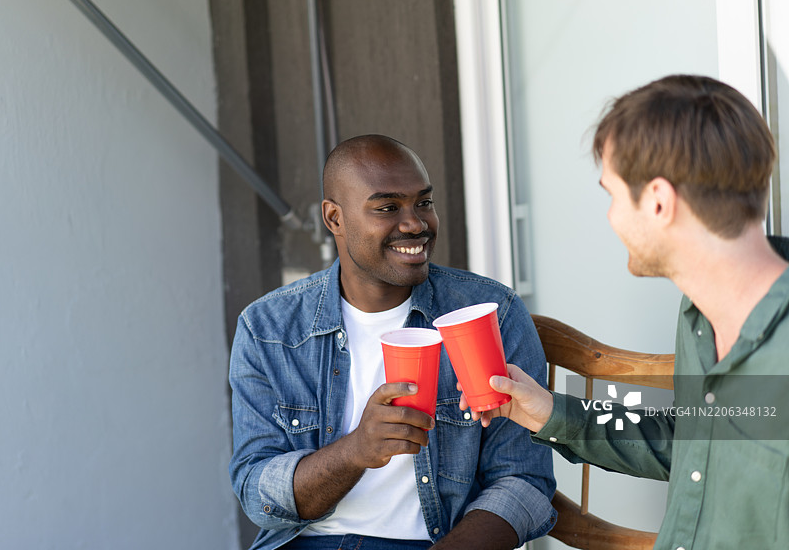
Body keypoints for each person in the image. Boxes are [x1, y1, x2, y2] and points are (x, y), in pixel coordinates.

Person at [469, 74, 789, 549]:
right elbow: (691, 443)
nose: (611, 216)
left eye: (613, 194)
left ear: (658, 202)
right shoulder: (699, 316)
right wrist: (550, 412)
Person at [229, 134, 556, 550]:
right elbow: (256, 492)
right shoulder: (269, 328)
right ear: (334, 219)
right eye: (387, 208)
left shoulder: (492, 313)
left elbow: (523, 480)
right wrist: (356, 451)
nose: (415, 224)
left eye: (423, 202)